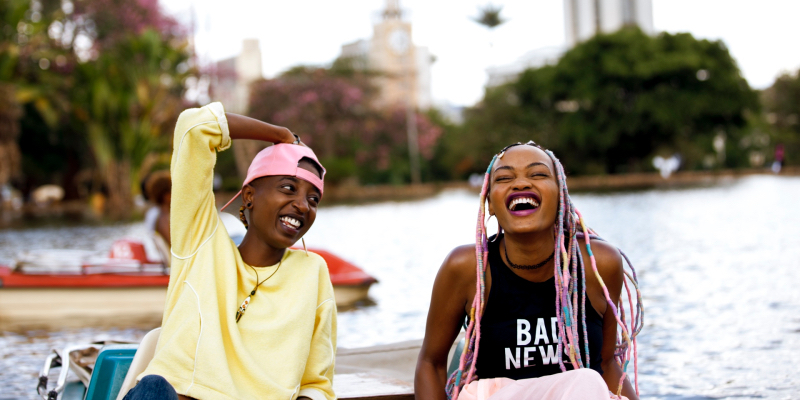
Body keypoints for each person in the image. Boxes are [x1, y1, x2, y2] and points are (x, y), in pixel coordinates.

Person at [123, 102, 336, 400]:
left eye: (313, 199)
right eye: (288, 188)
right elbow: (194, 127)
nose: (303, 205)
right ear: (249, 195)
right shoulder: (201, 244)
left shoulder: (312, 272)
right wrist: (280, 134)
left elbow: (318, 383)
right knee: (155, 387)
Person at [415, 142, 642, 400]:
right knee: (587, 381)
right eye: (504, 178)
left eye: (538, 174)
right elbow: (431, 364)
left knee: (588, 381)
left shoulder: (598, 264)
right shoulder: (468, 268)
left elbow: (607, 364)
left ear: (561, 196)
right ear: (490, 203)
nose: (521, 184)